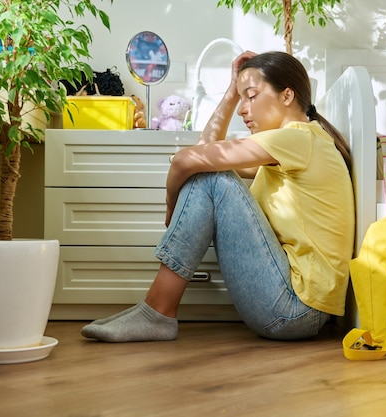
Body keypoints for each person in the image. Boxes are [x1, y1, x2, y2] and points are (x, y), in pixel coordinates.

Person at [81, 51, 355, 342]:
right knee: (212, 174)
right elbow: (203, 153)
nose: (242, 109)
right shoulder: (294, 145)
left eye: (251, 96)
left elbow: (186, 161)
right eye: (242, 98)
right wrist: (231, 92)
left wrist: (171, 209)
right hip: (294, 305)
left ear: (287, 96)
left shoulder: (298, 138)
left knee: (215, 179)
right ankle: (154, 311)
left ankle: (157, 312)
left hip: (294, 308)